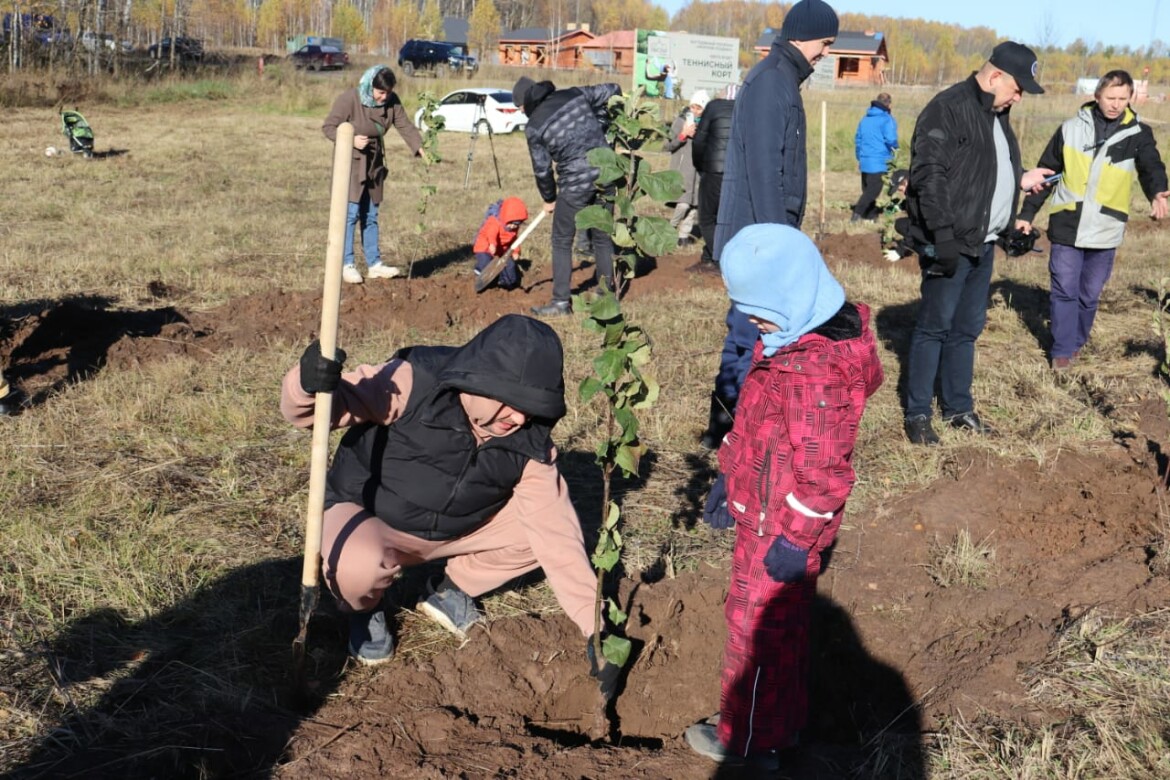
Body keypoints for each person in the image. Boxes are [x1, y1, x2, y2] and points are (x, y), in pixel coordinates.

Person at [279, 314, 620, 698]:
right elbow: (322, 409)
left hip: (456, 531)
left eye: (532, 406)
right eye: (512, 403)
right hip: (370, 517)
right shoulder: (415, 381)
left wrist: (597, 627)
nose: (520, 417)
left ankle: (449, 589)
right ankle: (363, 610)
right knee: (356, 564)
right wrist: (307, 386)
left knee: (536, 534)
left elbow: (556, 533)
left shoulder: (529, 438)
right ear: (479, 382)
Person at [684, 223, 884, 768]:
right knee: (782, 629)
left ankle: (747, 745)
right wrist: (732, 476)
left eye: (759, 311)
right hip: (765, 508)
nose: (751, 322)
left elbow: (824, 474)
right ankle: (779, 728)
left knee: (757, 635)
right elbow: (761, 426)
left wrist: (795, 541)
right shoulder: (791, 339)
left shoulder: (814, 370)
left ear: (793, 297)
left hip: (781, 527)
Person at [699, 0, 839, 450]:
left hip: (761, 238)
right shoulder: (771, 83)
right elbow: (764, 173)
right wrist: (782, 250)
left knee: (753, 338)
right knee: (746, 339)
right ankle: (727, 432)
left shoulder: (781, 79)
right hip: (758, 245)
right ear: (803, 34)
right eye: (825, 43)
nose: (825, 54)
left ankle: (738, 427)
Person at [902, 42, 1054, 445]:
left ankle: (958, 409)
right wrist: (943, 236)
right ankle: (918, 414)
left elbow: (982, 169)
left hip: (983, 243)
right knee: (934, 327)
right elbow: (929, 175)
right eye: (1018, 88)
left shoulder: (997, 113)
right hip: (951, 242)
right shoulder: (948, 108)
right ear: (995, 77)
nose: (1019, 96)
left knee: (966, 329)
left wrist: (1019, 182)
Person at [1016, 69, 1169, 371]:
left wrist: (1158, 192)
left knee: (1088, 295)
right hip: (1067, 223)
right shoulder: (1070, 129)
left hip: (1106, 227)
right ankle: (1061, 351)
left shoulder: (1138, 134)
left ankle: (1076, 342)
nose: (1115, 104)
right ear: (1097, 95)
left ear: (1130, 98)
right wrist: (1026, 214)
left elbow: (1151, 166)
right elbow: (1046, 173)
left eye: (1122, 99)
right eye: (1110, 97)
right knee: (1064, 289)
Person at [514, 77, 622, 317]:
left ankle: (561, 302)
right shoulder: (574, 93)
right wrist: (602, 124)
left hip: (575, 182)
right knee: (602, 236)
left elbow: (542, 170)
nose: (521, 113)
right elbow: (613, 89)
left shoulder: (534, 127)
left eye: (519, 108)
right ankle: (607, 295)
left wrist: (549, 198)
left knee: (562, 240)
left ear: (527, 102)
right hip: (607, 171)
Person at [323, 65, 424, 285]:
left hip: (374, 164)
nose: (383, 97)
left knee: (370, 214)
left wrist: (419, 146)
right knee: (350, 214)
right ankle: (347, 264)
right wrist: (350, 139)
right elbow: (329, 127)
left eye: (387, 93)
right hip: (350, 163)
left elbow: (404, 125)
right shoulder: (350, 99)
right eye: (380, 92)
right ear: (371, 86)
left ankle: (374, 264)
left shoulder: (392, 101)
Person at [692, 85, 736, 270]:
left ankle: (719, 259)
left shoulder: (713, 107)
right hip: (736, 173)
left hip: (713, 170)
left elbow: (699, 140)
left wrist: (700, 165)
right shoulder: (746, 109)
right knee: (727, 217)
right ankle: (708, 256)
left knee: (707, 218)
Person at [664, 90, 709, 248]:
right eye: (693, 107)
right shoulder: (680, 121)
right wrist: (683, 135)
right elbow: (667, 145)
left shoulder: (706, 125)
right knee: (683, 204)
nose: (695, 110)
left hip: (699, 171)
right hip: (683, 170)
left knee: (694, 207)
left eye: (699, 108)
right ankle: (669, 229)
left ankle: (683, 236)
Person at [851, 92, 898, 222]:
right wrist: (895, 150)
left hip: (865, 160)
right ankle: (857, 213)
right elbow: (891, 139)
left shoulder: (865, 120)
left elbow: (858, 140)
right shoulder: (887, 119)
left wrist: (859, 157)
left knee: (867, 190)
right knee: (873, 191)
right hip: (879, 162)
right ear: (889, 104)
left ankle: (872, 215)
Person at [473, 196, 529, 293]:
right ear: (506, 218)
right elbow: (491, 233)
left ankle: (504, 281)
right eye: (512, 223)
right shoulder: (495, 221)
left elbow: (514, 241)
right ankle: (480, 271)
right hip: (485, 247)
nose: (514, 227)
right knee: (486, 263)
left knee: (510, 267)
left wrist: (516, 251)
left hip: (501, 251)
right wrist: (492, 244)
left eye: (517, 224)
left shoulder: (513, 229)